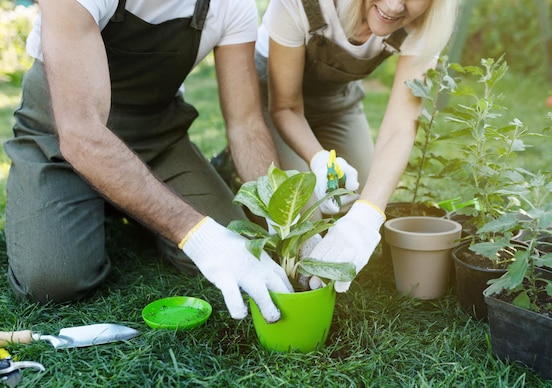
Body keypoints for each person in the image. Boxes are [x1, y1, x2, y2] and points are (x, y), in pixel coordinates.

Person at [3, 0, 293, 324]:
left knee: (244, 249)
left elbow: (246, 124)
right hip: (59, 135)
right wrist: (196, 233)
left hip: (155, 138)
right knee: (53, 280)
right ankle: (114, 203)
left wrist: (286, 219)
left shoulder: (233, 5)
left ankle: (132, 204)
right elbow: (81, 133)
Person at [255, 0, 459, 291]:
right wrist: (318, 159)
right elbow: (285, 107)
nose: (393, 5)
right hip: (274, 98)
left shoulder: (427, 23)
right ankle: (240, 161)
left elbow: (401, 125)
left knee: (357, 195)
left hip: (335, 99)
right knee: (301, 219)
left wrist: (367, 216)